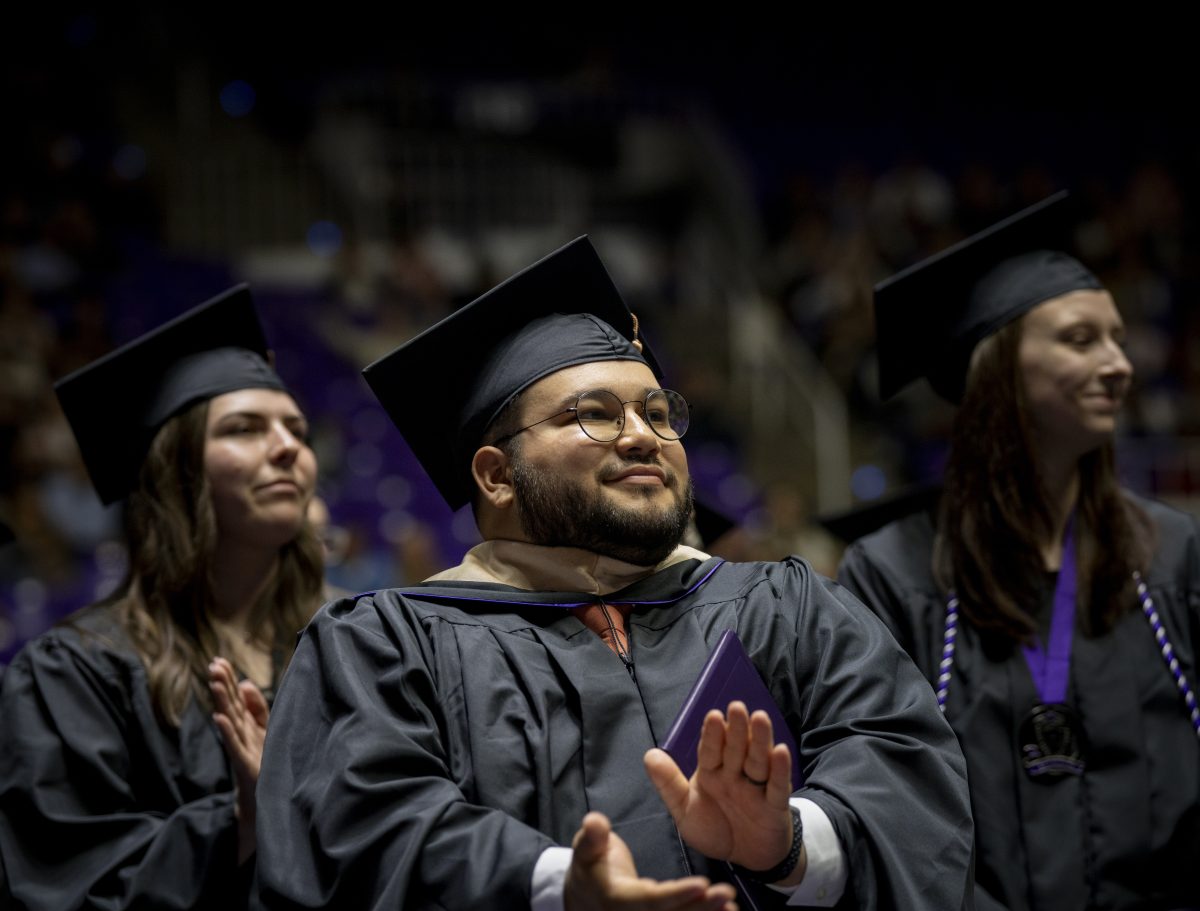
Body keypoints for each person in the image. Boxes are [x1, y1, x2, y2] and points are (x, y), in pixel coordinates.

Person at [253, 236, 974, 910]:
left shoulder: (785, 606)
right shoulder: (387, 648)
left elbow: (900, 762)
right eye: (594, 414)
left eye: (660, 413)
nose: (642, 435)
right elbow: (364, 825)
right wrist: (558, 883)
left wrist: (789, 842)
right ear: (497, 474)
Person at [837, 192, 1200, 910]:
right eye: (1080, 338)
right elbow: (885, 805)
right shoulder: (894, 574)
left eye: (1119, 338)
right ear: (996, 368)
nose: (1120, 364)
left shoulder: (1172, 553)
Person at [0, 285, 324, 910]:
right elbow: (66, 883)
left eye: (297, 429)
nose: (288, 447)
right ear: (175, 472)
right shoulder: (73, 675)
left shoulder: (350, 639)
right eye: (245, 428)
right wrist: (242, 821)